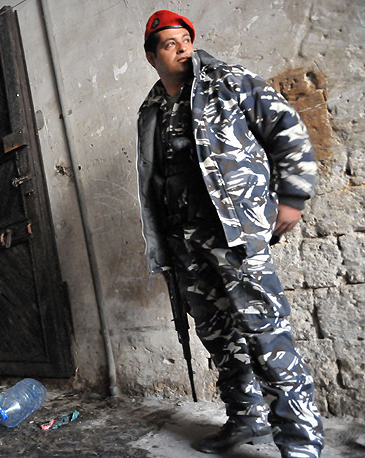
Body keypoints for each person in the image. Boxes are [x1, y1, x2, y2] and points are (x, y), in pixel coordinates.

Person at [136, 10, 324, 458]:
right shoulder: (150, 109)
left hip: (234, 235)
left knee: (266, 336)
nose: (182, 47)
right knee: (218, 338)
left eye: (185, 39)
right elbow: (154, 178)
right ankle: (246, 419)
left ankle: (301, 444)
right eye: (169, 43)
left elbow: (286, 129)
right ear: (151, 57)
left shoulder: (227, 80)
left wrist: (293, 197)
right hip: (186, 246)